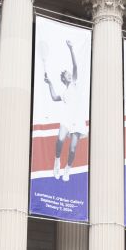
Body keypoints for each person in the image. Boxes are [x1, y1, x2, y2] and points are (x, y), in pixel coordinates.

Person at [43, 39, 85, 182]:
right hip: (67, 118)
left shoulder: (74, 83)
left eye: (69, 73)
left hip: (77, 119)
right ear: (63, 79)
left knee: (72, 149)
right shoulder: (65, 92)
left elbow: (75, 66)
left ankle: (67, 169)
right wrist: (50, 83)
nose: (69, 74)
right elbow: (54, 97)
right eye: (66, 74)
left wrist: (71, 49)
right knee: (60, 140)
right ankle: (57, 162)